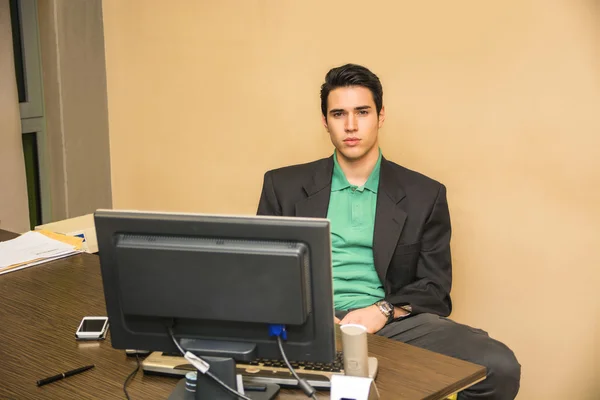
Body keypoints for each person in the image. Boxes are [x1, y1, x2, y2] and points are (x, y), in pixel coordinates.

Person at [257, 63, 521, 400]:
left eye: (362, 112)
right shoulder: (283, 186)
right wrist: (314, 317)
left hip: (391, 324)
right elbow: (265, 276)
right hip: (307, 323)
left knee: (499, 365)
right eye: (339, 114)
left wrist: (380, 312)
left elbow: (434, 288)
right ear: (325, 122)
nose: (351, 125)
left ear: (380, 116)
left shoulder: (425, 193)